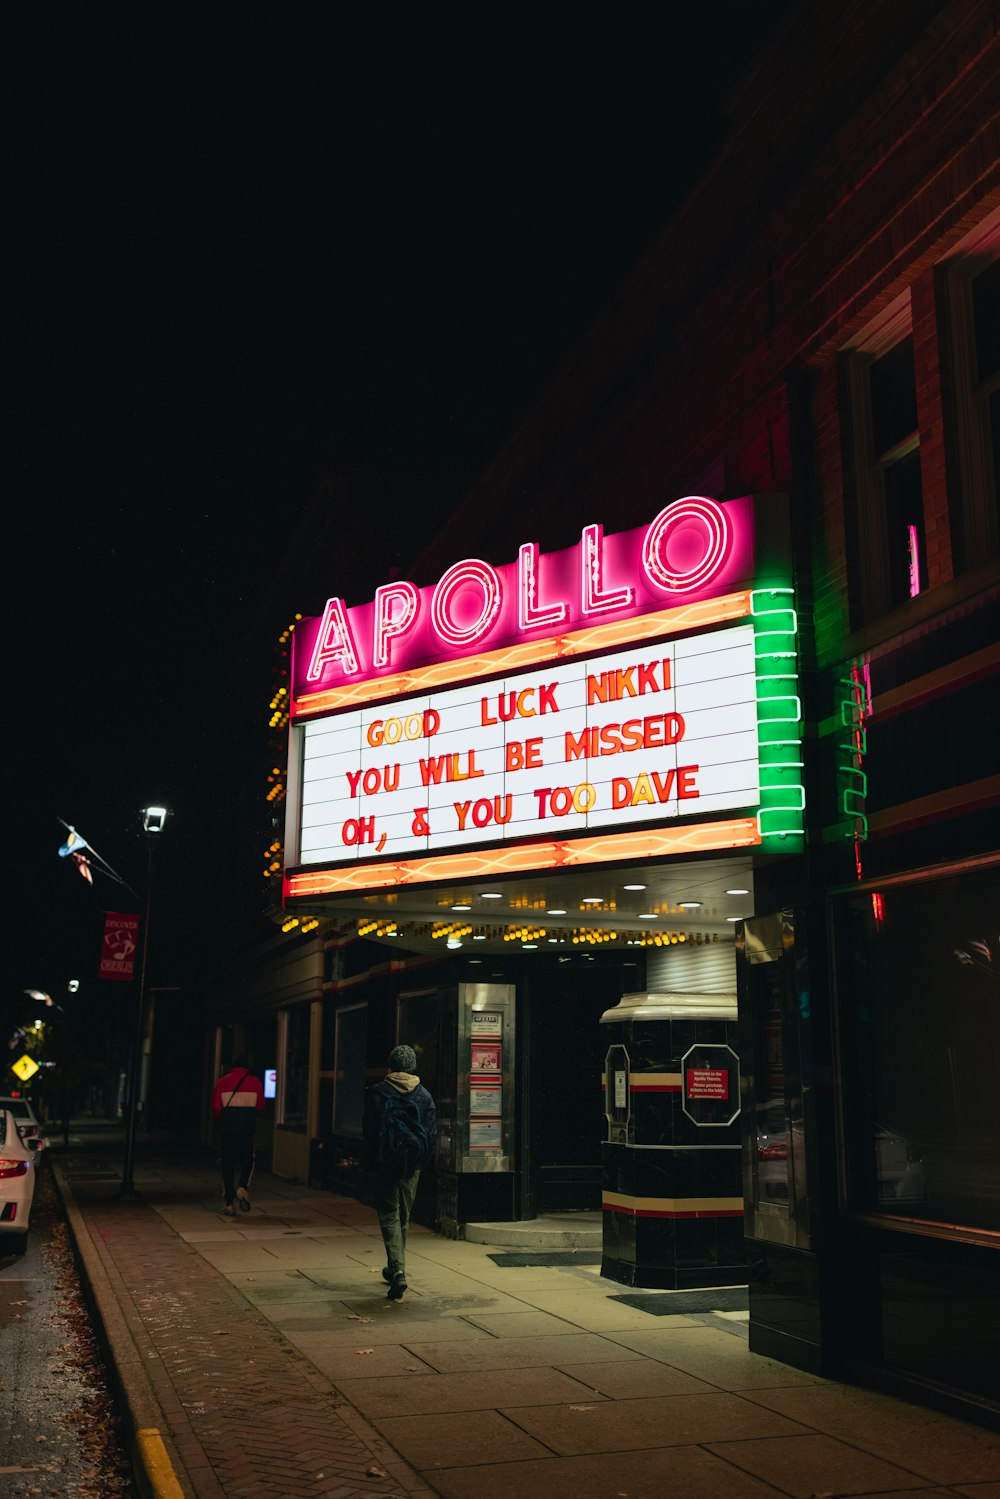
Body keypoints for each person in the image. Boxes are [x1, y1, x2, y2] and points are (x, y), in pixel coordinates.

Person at [361, 1044, 436, 1300]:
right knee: (402, 1217)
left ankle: (397, 1270)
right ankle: (396, 1267)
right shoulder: (424, 1095)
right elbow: (431, 1135)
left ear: (390, 1067)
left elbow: (369, 1132)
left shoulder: (377, 1092)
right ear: (413, 1067)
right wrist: (418, 1165)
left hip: (383, 1165)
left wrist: (369, 1164)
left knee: (389, 1215)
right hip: (410, 1166)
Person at [211, 1056, 265, 1215]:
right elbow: (261, 1105)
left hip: (228, 1130)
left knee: (227, 1164)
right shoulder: (255, 1082)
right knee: (248, 1160)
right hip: (247, 1130)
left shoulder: (222, 1082)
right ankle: (242, 1186)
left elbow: (216, 1107)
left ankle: (229, 1203)